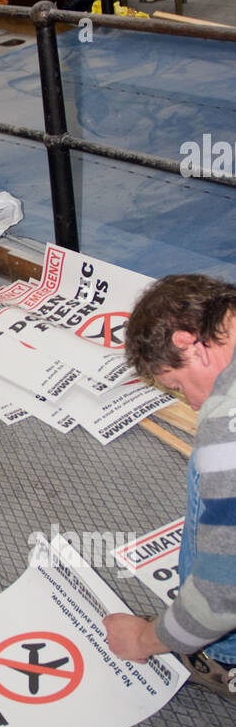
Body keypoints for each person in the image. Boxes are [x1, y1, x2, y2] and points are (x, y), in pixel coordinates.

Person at [103, 274, 236, 700]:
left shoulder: (226, 418)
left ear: (188, 343)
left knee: (207, 464)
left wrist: (143, 639)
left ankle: (225, 657)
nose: (192, 403)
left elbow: (220, 595)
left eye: (176, 385)